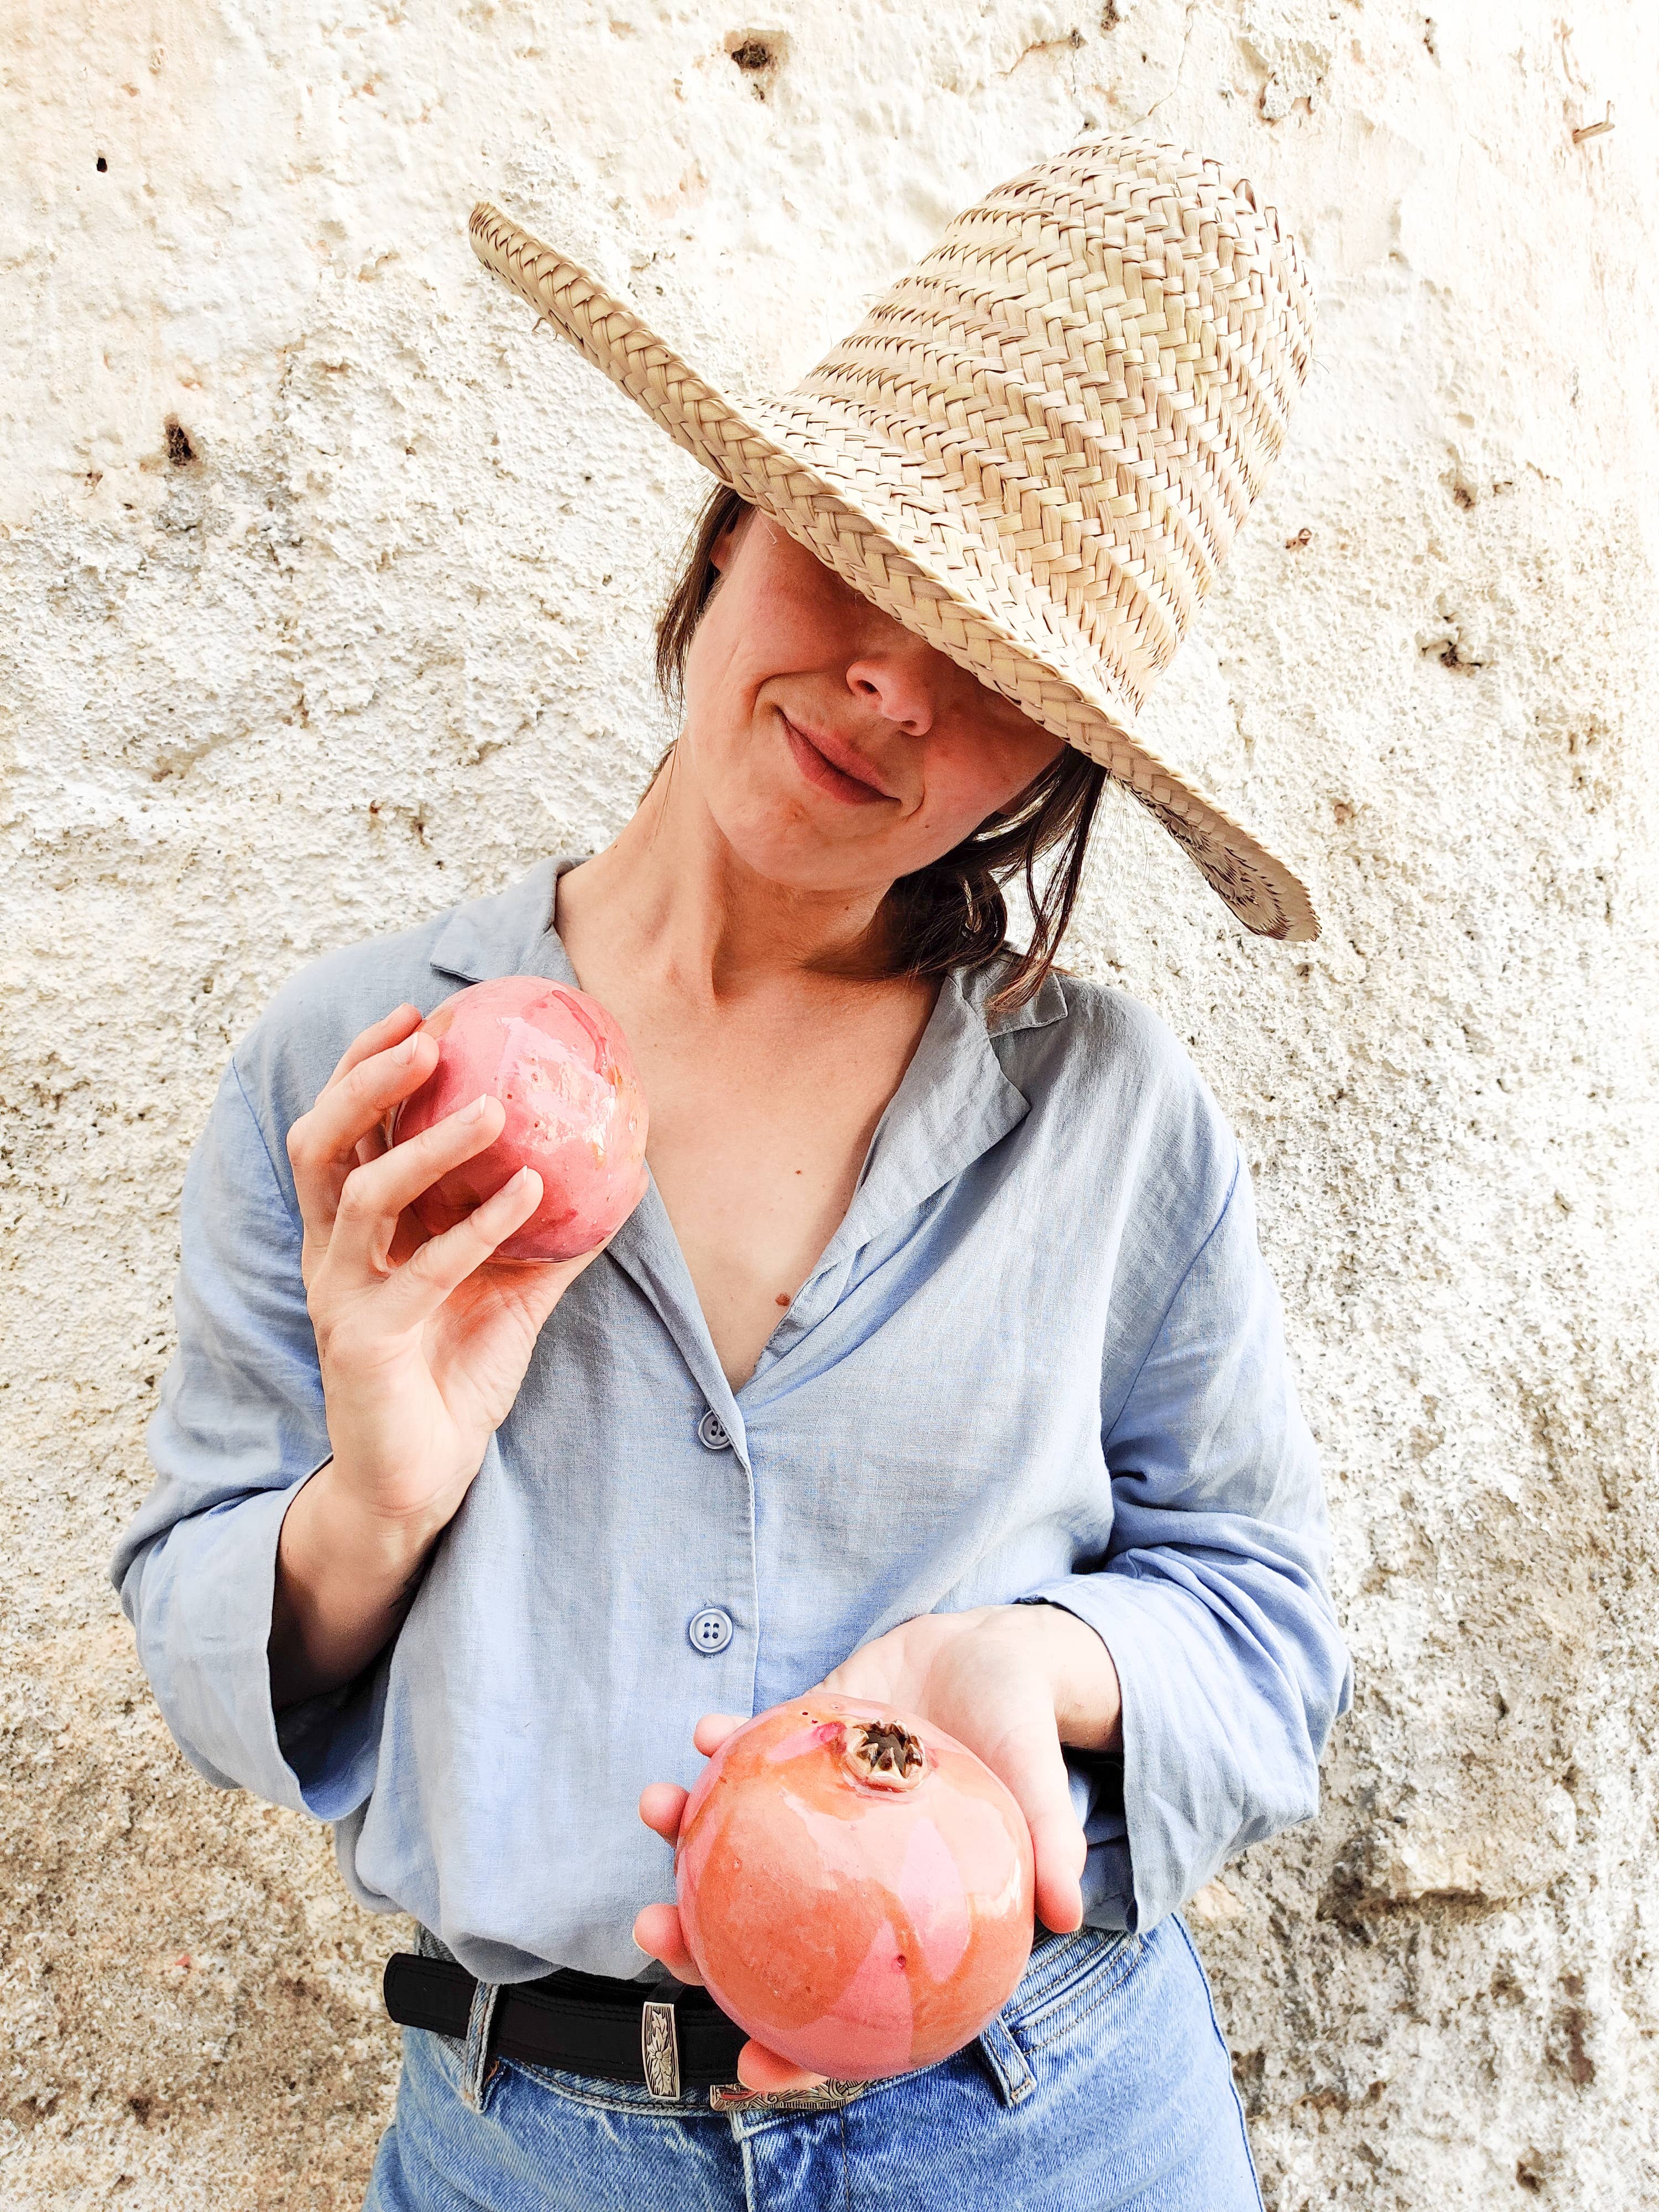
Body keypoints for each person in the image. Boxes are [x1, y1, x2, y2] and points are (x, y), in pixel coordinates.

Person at [113, 135, 1352, 2210]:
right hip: (534, 2150)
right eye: (856, 562)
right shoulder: (358, 1072)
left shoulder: (1108, 1116)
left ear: (1055, 771)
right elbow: (201, 1632)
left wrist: (1029, 1671)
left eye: (1006, 679)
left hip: (1054, 2131)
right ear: (723, 524)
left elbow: (1264, 1623)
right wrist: (377, 1502)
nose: (894, 688)